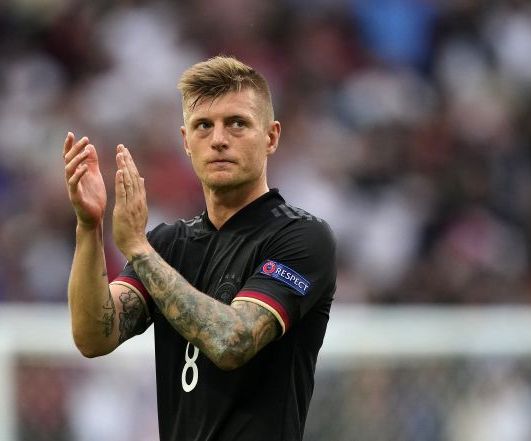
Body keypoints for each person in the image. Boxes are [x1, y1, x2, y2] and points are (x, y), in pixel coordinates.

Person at [63, 55, 337, 441]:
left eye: (237, 123)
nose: (219, 139)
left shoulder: (300, 237)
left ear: (271, 137)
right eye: (203, 125)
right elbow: (94, 336)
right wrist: (89, 227)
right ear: (186, 142)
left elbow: (232, 342)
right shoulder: (168, 245)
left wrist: (138, 249)